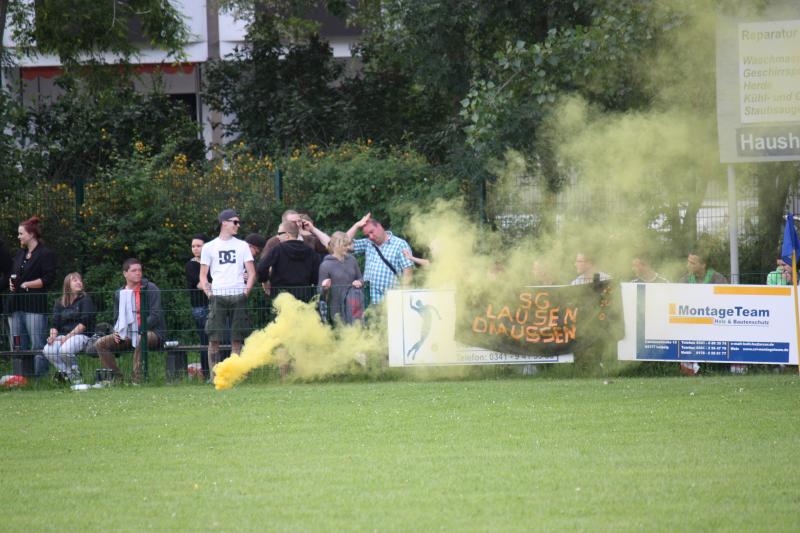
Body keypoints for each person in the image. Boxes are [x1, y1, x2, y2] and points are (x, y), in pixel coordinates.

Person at [200, 209, 255, 380]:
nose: (237, 225)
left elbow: (251, 272)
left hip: (238, 293)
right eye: (235, 222)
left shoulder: (242, 245)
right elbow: (203, 275)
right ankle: (215, 376)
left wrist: (246, 292)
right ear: (224, 222)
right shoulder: (209, 247)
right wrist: (209, 294)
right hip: (218, 295)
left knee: (237, 338)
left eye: (238, 222)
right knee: (214, 338)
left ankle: (234, 376)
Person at [94, 258, 165, 383]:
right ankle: (117, 379)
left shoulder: (150, 288)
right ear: (125, 273)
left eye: (140, 270)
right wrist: (117, 331)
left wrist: (137, 329)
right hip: (127, 333)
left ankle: (138, 380)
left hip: (151, 332)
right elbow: (117, 318)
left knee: (140, 338)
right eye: (134, 270)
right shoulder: (119, 293)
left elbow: (155, 315)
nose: (138, 273)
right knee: (100, 343)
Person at [7, 217, 57, 376]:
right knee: (17, 344)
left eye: (21, 233)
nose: (18, 236)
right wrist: (11, 283)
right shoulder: (20, 253)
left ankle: (40, 378)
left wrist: (28, 284)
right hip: (16, 304)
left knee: (37, 343)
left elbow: (49, 278)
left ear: (31, 234)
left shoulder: (45, 253)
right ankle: (20, 378)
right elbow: (14, 274)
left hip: (34, 305)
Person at [678, 249, 733, 375]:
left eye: (692, 263)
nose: (688, 265)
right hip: (691, 323)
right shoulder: (684, 280)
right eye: (688, 262)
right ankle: (689, 369)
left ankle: (722, 368)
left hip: (714, 323)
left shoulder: (718, 279)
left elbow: (726, 301)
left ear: (703, 265)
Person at [347, 212, 414, 305]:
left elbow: (408, 273)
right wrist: (356, 225)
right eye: (367, 235)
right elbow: (343, 243)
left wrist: (404, 299)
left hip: (391, 303)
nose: (370, 237)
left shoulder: (400, 244)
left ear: (379, 226)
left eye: (371, 232)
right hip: (368, 303)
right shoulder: (368, 243)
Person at [43, 273, 95, 383]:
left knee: (65, 350)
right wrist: (52, 337)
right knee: (48, 350)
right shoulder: (59, 302)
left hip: (82, 335)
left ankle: (75, 376)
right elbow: (54, 324)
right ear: (67, 285)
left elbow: (84, 323)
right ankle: (70, 374)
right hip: (63, 336)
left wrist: (67, 337)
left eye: (80, 280)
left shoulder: (86, 300)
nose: (79, 282)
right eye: (75, 280)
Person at [257, 220, 321, 303]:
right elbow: (316, 275)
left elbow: (261, 268)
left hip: (281, 297)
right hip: (304, 297)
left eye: (279, 233)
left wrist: (265, 281)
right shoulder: (310, 251)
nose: (277, 236)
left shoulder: (277, 250)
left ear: (287, 235)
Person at [318, 231, 363, 324]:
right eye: (344, 245)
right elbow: (320, 292)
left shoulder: (352, 260)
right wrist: (324, 287)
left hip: (354, 307)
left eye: (348, 245)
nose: (347, 248)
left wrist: (359, 282)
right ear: (335, 246)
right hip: (336, 308)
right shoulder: (325, 265)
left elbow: (360, 278)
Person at [185, 233, 212, 379]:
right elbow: (201, 284)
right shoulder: (191, 265)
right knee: (205, 341)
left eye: (198, 246)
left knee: (224, 339)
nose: (195, 249)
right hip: (201, 308)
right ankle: (207, 375)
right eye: (193, 246)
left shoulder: (213, 263)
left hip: (217, 305)